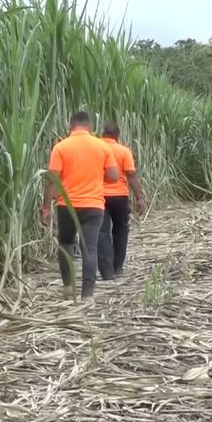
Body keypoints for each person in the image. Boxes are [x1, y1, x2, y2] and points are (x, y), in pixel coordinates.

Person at [41, 112, 119, 301]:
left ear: (70, 127)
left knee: (66, 243)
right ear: (89, 127)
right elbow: (114, 176)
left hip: (66, 205)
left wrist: (46, 207)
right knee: (89, 249)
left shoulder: (60, 147)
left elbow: (52, 180)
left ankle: (68, 287)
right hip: (93, 205)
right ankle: (87, 294)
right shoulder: (102, 146)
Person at [98, 122, 146, 278]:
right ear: (117, 136)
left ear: (102, 134)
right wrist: (140, 197)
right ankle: (117, 267)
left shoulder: (95, 149)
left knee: (102, 232)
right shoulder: (124, 151)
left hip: (99, 196)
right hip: (120, 197)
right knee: (121, 230)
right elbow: (131, 176)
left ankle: (106, 271)